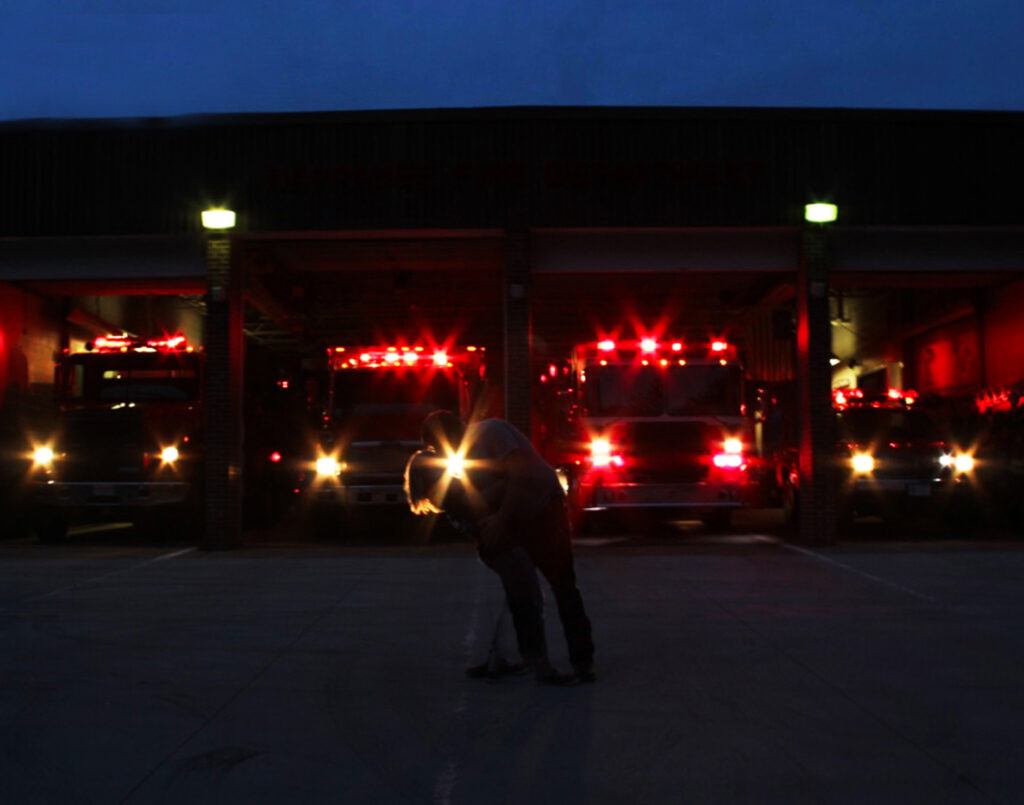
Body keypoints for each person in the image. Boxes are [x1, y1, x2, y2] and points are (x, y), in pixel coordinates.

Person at [416, 410, 596, 684]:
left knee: (563, 587)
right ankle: (517, 655)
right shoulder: (466, 457)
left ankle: (582, 662)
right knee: (520, 590)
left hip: (544, 510)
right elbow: (489, 493)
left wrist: (499, 519)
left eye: (437, 445)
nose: (439, 451)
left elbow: (520, 474)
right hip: (517, 519)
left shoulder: (491, 431)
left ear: (450, 434)